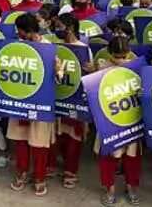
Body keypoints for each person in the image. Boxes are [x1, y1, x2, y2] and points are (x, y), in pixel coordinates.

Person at [7, 13, 59, 197]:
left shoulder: (48, 48)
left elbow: (58, 75)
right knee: (21, 140)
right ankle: (21, 172)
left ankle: (39, 177)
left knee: (39, 143)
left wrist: (57, 72)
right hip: (20, 102)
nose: (18, 33)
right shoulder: (15, 47)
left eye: (19, 30)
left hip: (41, 104)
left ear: (27, 31)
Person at [95, 32, 143, 206]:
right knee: (108, 156)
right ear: (109, 54)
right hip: (108, 120)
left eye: (124, 57)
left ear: (129, 53)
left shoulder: (138, 66)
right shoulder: (101, 67)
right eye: (117, 57)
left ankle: (131, 187)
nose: (121, 60)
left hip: (131, 119)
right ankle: (110, 189)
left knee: (132, 157)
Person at [49, 13, 94, 188]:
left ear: (71, 28)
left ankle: (70, 170)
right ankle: (51, 165)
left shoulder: (84, 49)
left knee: (74, 135)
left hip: (75, 99)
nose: (57, 30)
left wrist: (91, 69)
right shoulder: (55, 47)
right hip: (58, 96)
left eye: (59, 26)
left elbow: (89, 73)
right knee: (56, 133)